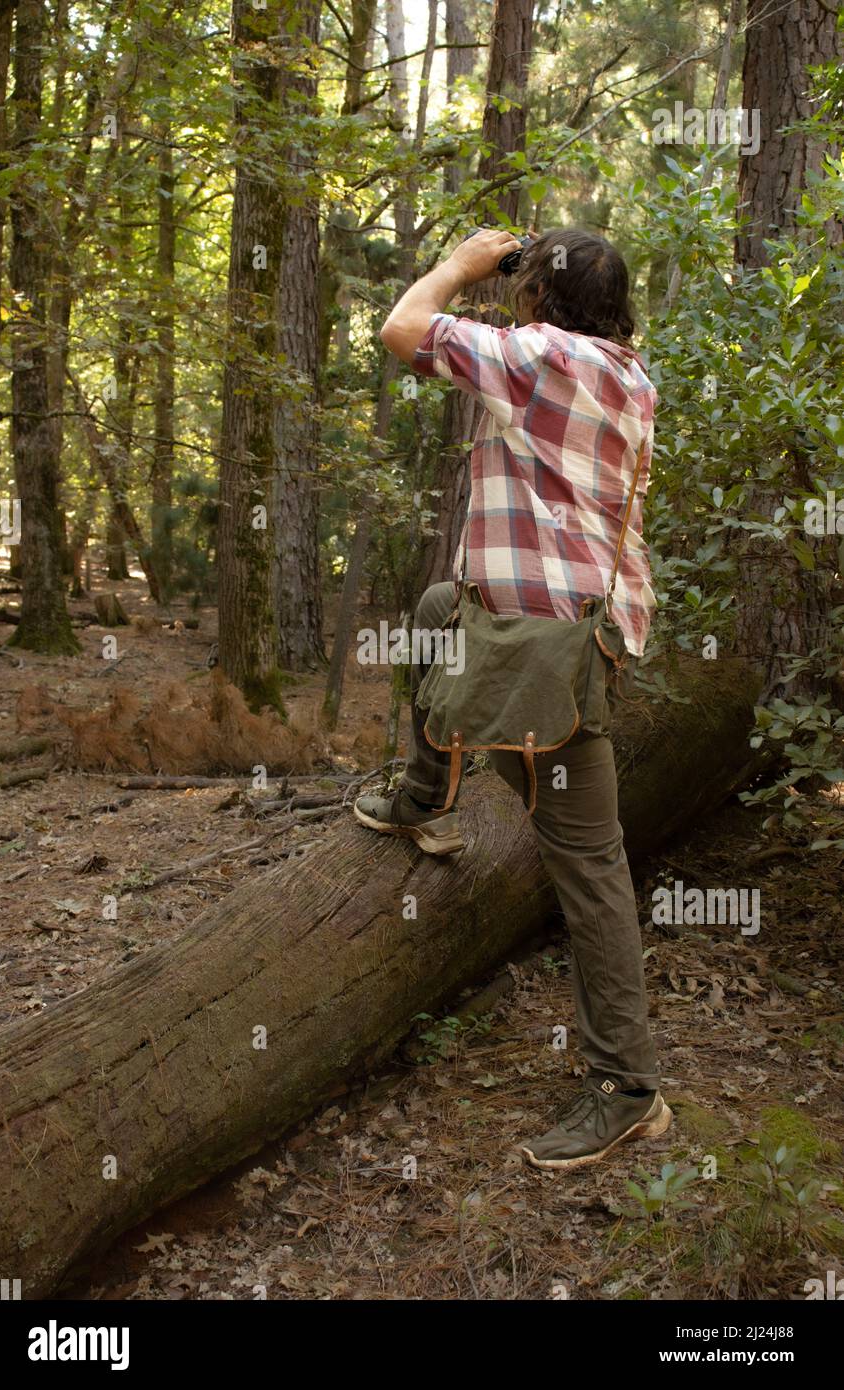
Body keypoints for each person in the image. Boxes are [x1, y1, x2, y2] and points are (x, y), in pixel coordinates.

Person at [353, 227, 671, 1171]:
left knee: (589, 865)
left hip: (548, 654)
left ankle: (629, 1087)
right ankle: (425, 797)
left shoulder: (535, 359)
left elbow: (401, 328)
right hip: (563, 622)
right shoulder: (625, 372)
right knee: (438, 605)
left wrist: (458, 264)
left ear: (539, 302)